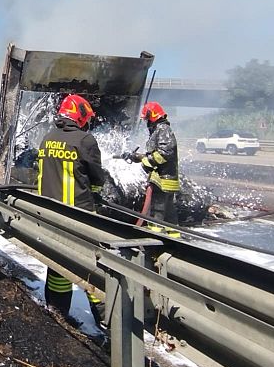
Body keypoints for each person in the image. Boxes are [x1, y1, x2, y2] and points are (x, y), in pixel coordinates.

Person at [37, 94, 107, 327]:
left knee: (58, 267)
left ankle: (57, 314)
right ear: (80, 115)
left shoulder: (47, 139)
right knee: (92, 270)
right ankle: (107, 322)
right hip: (79, 217)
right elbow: (97, 179)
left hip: (51, 216)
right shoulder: (85, 140)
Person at [123, 102, 180, 229]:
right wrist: (136, 157)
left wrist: (144, 159)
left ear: (152, 116)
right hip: (165, 179)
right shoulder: (160, 130)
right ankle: (174, 237)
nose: (146, 122)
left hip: (162, 180)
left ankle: (154, 234)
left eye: (147, 119)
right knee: (169, 214)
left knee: (156, 212)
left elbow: (164, 154)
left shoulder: (162, 129)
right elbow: (156, 154)